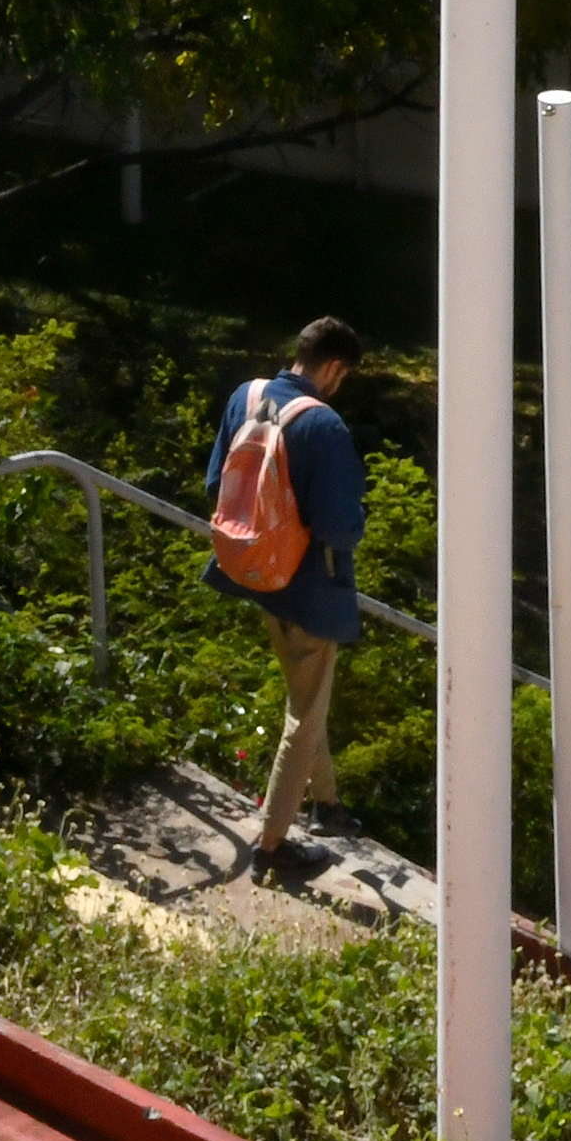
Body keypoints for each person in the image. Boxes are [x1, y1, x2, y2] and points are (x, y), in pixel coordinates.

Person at [214, 319, 376, 885]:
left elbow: (216, 483)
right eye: (343, 375)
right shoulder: (323, 424)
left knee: (308, 695)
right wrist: (358, 519)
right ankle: (273, 843)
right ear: (332, 367)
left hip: (257, 573)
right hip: (310, 591)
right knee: (304, 717)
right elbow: (340, 528)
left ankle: (326, 803)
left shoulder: (247, 397)